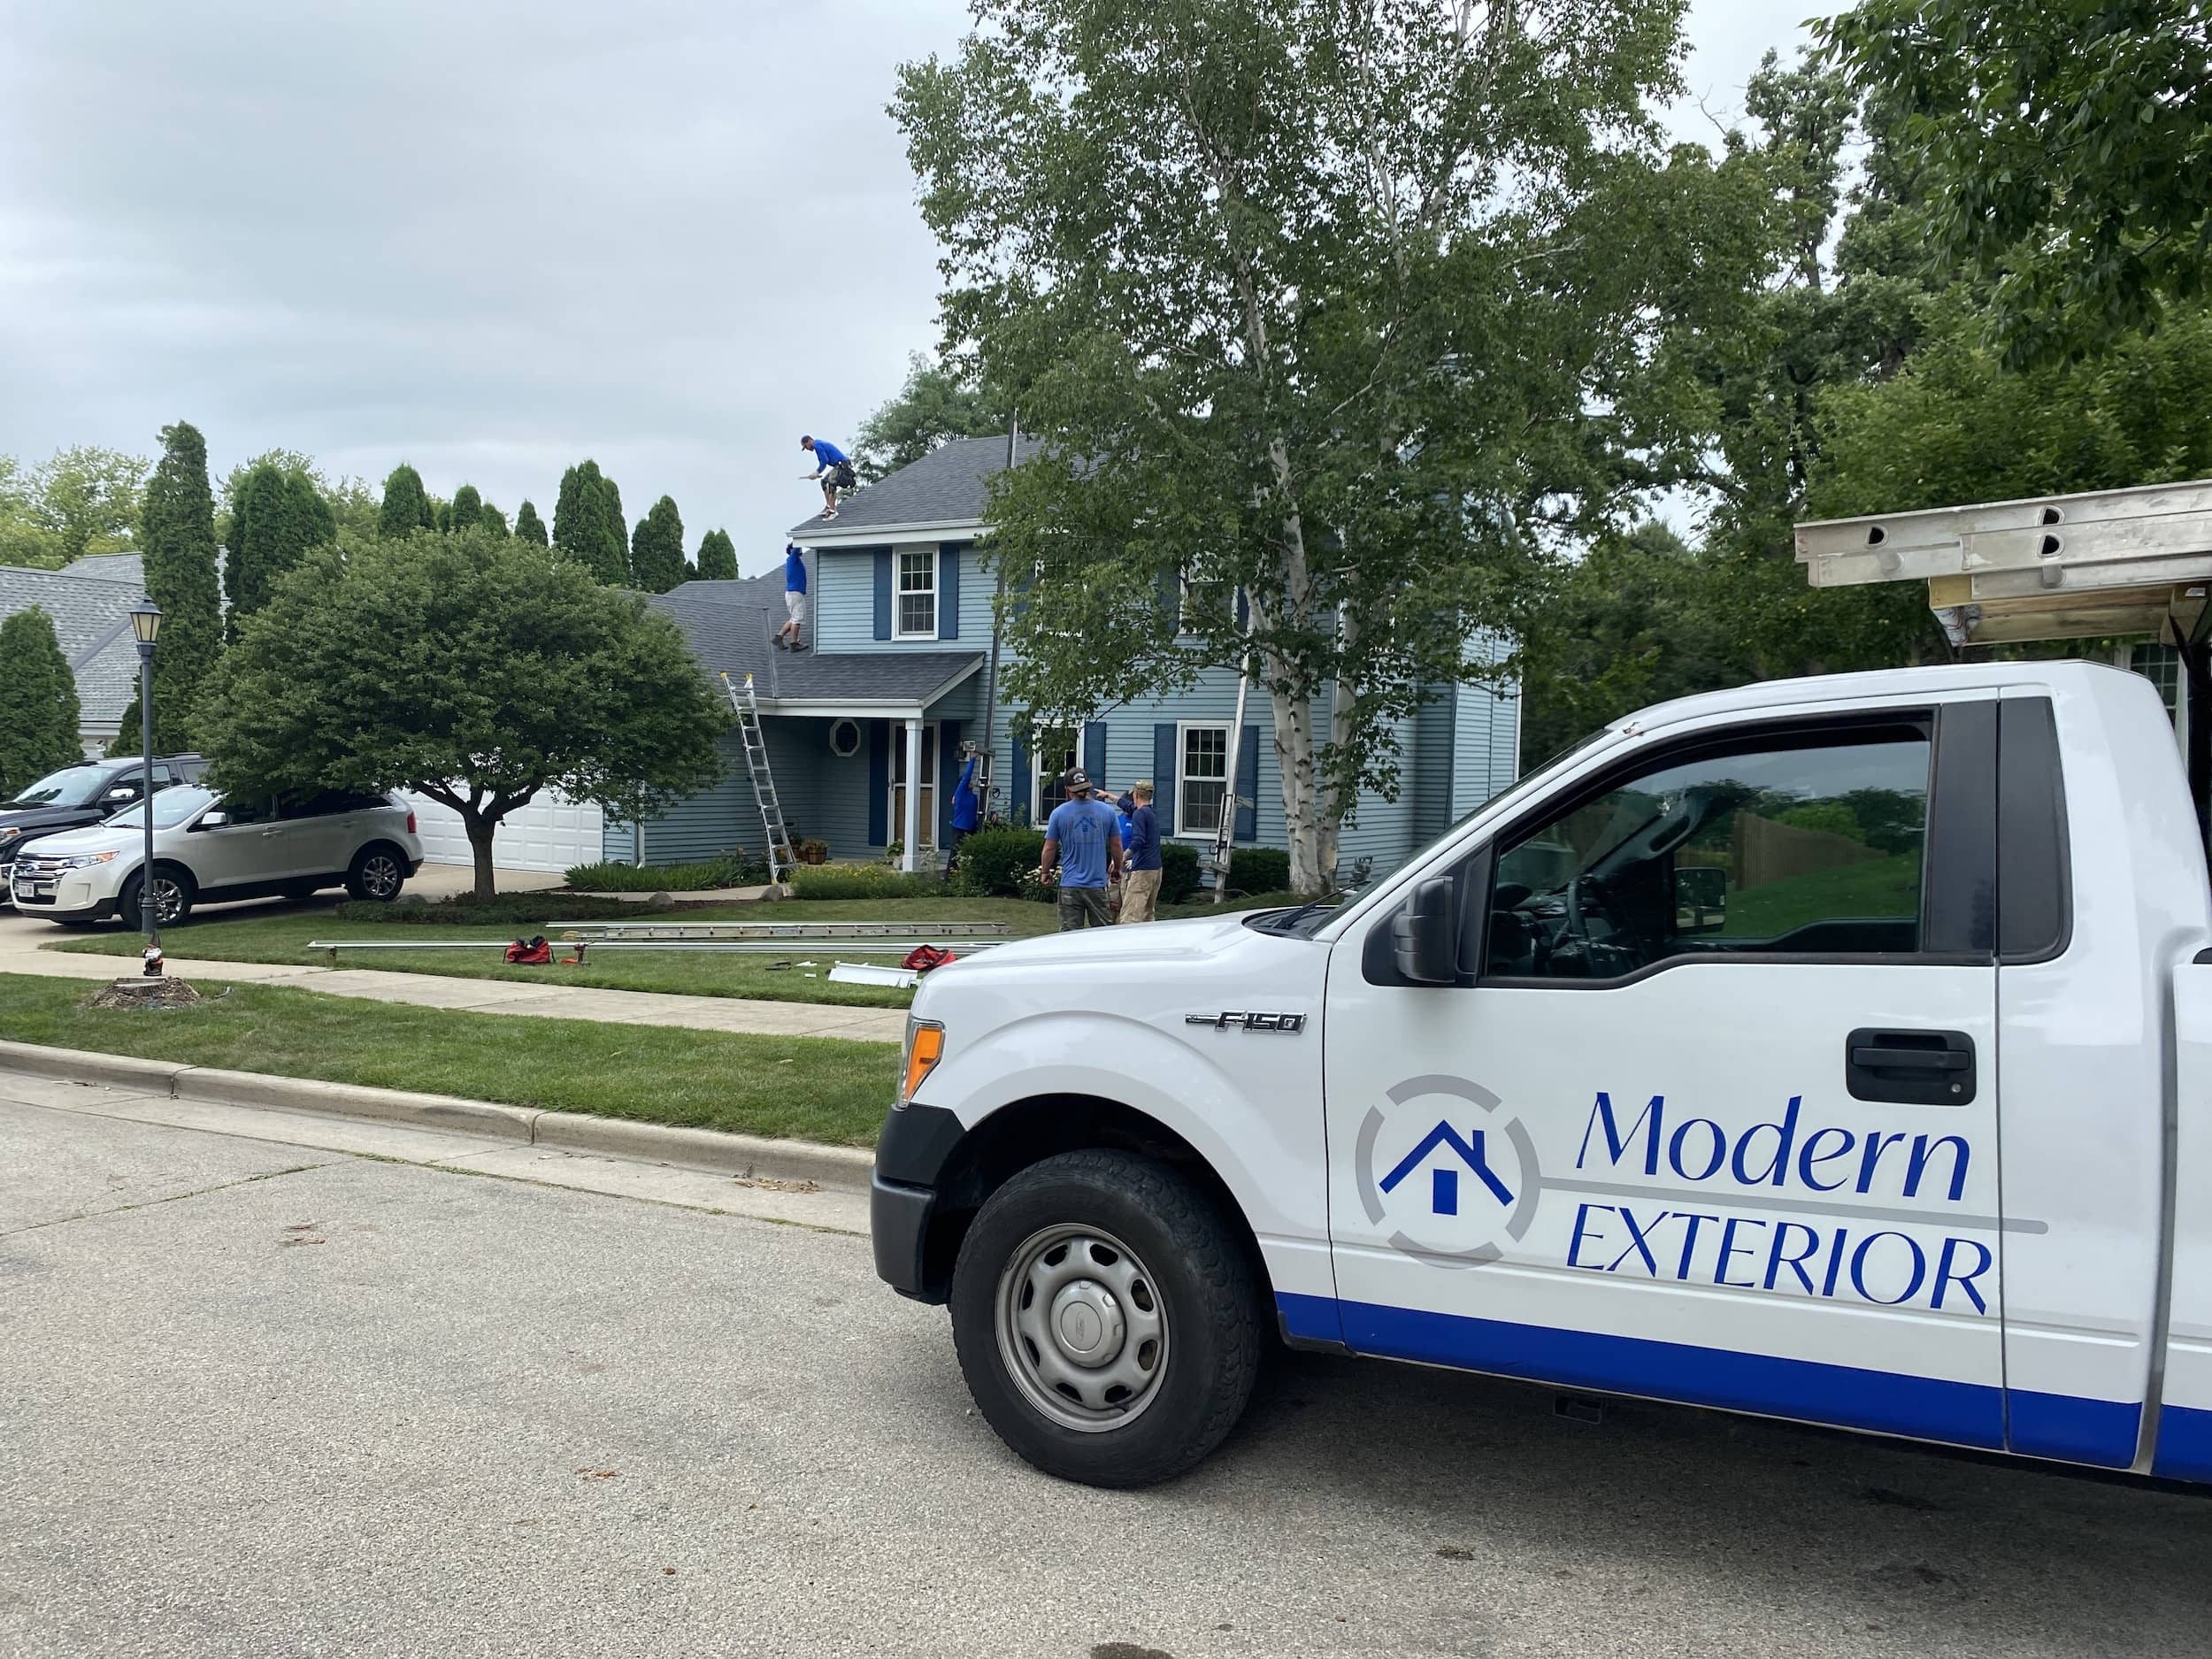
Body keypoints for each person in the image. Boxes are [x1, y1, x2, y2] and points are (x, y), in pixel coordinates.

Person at [1041, 766, 1121, 931]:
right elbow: (1116, 845)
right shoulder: (1107, 812)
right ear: (1088, 786)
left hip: (1070, 885)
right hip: (1097, 885)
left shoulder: (1058, 814)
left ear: (1067, 790)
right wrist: (1117, 869)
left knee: (1069, 937)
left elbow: (1049, 848)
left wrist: (1045, 872)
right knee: (1103, 934)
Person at [1117, 780, 1164, 924]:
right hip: (1156, 870)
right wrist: (1109, 796)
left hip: (1142, 871)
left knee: (1130, 917)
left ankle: (1129, 945)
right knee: (1147, 915)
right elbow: (1128, 806)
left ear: (1136, 794)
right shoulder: (1150, 812)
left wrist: (1121, 858)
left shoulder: (1139, 815)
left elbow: (1138, 841)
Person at [800, 434, 856, 520]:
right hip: (838, 465)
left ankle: (833, 511)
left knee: (831, 482)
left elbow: (824, 461)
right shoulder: (818, 445)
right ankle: (829, 506)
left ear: (809, 441)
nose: (807, 449)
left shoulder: (817, 445)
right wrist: (816, 473)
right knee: (824, 482)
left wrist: (816, 472)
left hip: (842, 464)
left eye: (806, 446)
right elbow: (823, 462)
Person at [947, 744, 980, 867]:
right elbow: (967, 777)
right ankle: (948, 880)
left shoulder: (972, 796)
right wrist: (972, 759)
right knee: (955, 855)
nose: (971, 782)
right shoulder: (961, 793)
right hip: (959, 829)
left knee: (971, 854)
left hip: (971, 829)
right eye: (969, 782)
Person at [777, 542, 809, 650]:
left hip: (793, 593)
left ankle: (779, 637)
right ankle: (794, 644)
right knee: (797, 618)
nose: (800, 551)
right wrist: (800, 538)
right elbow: (797, 543)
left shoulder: (793, 560)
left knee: (793, 618)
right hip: (795, 592)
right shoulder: (792, 558)